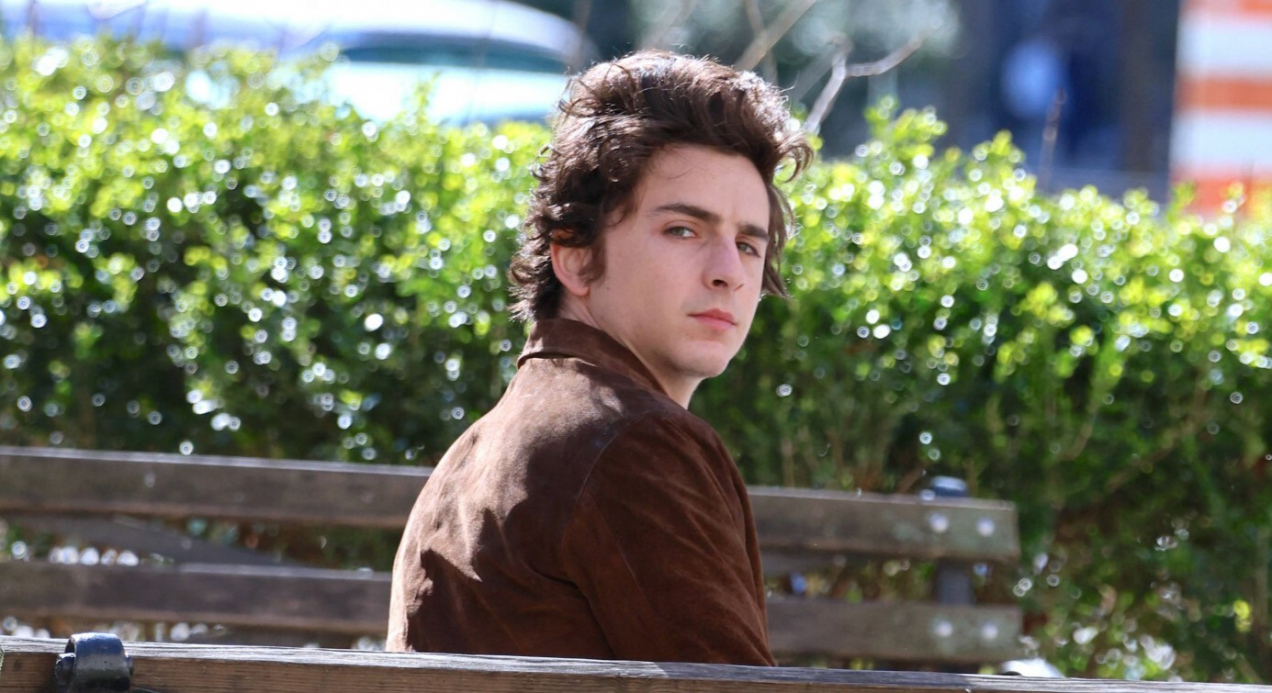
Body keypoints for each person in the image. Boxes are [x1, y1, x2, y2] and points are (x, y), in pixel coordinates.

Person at [387, 50, 812, 664]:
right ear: (577, 257)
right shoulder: (632, 441)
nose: (730, 273)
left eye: (749, 243)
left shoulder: (481, 448)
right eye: (683, 230)